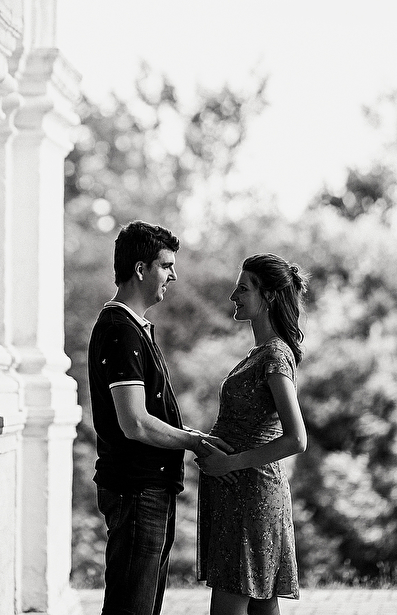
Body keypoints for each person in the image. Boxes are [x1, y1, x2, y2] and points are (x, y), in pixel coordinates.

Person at [88, 220, 231, 615]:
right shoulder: (120, 330)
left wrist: (193, 436)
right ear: (140, 269)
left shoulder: (134, 328)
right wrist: (194, 442)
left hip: (148, 490)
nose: (173, 275)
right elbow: (134, 422)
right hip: (137, 491)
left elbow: (144, 416)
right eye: (166, 266)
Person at [195, 253, 309, 615]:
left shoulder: (274, 355)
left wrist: (230, 463)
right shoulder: (259, 353)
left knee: (229, 605)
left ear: (269, 295)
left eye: (243, 289)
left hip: (251, 495)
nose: (234, 296)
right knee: (261, 605)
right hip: (240, 494)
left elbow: (297, 438)